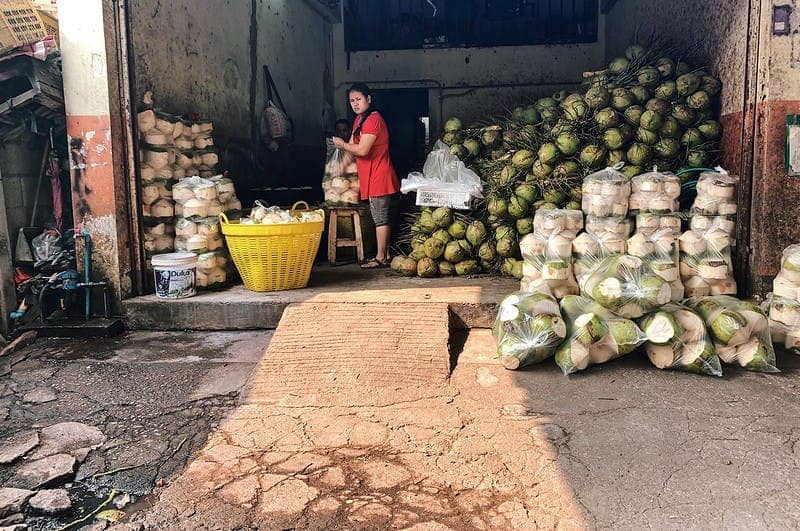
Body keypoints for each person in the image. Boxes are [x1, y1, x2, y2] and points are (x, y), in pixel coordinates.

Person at [332, 83, 400, 269]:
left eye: (359, 99)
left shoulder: (373, 120)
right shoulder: (359, 120)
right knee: (379, 216)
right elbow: (353, 143)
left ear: (368, 99)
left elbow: (362, 149)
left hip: (379, 174)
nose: (355, 104)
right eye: (352, 101)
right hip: (369, 175)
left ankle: (380, 258)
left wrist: (342, 146)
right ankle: (383, 254)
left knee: (380, 218)